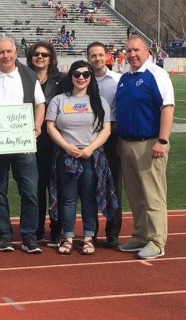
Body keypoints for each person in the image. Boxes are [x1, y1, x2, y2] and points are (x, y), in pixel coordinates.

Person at [0, 37, 46, 254]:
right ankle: (5, 235)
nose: (5, 56)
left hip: (24, 144)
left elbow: (40, 104)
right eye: (1, 52)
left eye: (9, 51)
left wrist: (37, 126)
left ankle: (29, 236)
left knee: (29, 191)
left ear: (15, 52)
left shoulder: (29, 75)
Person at [116, 35, 175, 260]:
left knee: (153, 195)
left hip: (149, 143)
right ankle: (141, 235)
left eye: (136, 50)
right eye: (128, 50)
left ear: (147, 50)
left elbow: (167, 108)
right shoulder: (125, 78)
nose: (132, 54)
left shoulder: (157, 75)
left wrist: (162, 140)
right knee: (135, 195)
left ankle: (157, 241)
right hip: (128, 143)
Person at [46, 60, 113, 255]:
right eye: (77, 74)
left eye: (85, 74)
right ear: (71, 76)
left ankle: (88, 237)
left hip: (91, 155)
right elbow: (51, 126)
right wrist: (66, 146)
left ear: (91, 77)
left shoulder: (100, 102)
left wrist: (90, 148)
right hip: (66, 156)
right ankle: (67, 236)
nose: (81, 78)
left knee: (89, 198)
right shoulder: (59, 100)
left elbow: (106, 129)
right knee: (67, 199)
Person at [26, 41, 65, 247]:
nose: (40, 57)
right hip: (31, 139)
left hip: (56, 140)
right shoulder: (24, 78)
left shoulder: (63, 79)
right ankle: (37, 229)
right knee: (36, 187)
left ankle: (57, 230)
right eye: (36, 54)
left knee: (56, 186)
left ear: (51, 58)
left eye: (45, 54)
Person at [86, 42, 123, 247]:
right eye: (93, 55)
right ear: (88, 57)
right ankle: (90, 231)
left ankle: (113, 231)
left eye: (100, 55)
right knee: (89, 186)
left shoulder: (118, 80)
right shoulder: (82, 80)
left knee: (113, 186)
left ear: (106, 56)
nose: (97, 59)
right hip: (87, 138)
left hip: (112, 137)